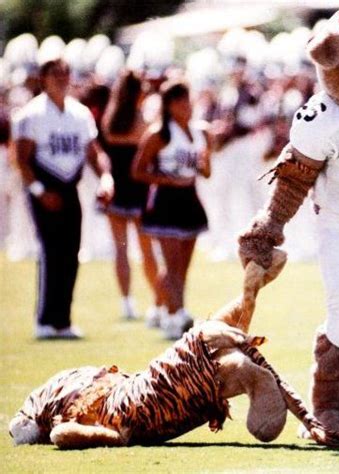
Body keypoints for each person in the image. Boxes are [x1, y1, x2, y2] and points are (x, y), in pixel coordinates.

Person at [12, 58, 114, 339]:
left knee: (71, 252)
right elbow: (21, 158)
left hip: (69, 186)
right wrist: (39, 191)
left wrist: (106, 178)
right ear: (43, 78)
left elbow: (94, 153)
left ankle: (63, 320)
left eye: (65, 73)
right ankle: (44, 319)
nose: (61, 79)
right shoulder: (31, 114)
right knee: (50, 250)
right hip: (44, 187)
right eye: (54, 74)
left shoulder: (79, 114)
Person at [133, 80, 211, 339]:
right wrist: (169, 180)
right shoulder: (159, 134)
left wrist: (203, 162)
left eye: (188, 100)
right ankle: (177, 315)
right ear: (168, 105)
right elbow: (138, 171)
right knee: (172, 262)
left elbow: (206, 172)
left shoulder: (199, 132)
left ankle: (167, 309)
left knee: (182, 266)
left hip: (189, 198)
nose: (186, 106)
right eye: (180, 102)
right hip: (166, 200)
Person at [101, 70, 164, 321]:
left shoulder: (110, 119)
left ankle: (127, 302)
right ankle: (158, 301)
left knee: (121, 250)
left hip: (116, 190)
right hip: (138, 191)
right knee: (147, 251)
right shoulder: (143, 122)